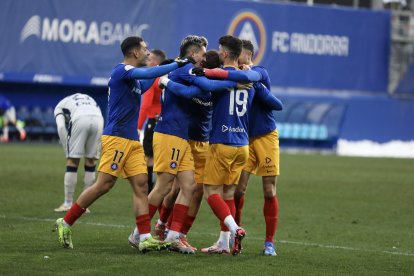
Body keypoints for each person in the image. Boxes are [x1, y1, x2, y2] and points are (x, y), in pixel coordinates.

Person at [54, 36, 192, 252]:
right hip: (116, 138)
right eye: (145, 49)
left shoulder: (134, 80)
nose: (148, 53)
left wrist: (169, 68)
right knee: (103, 185)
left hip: (131, 140)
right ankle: (66, 222)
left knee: (141, 185)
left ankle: (144, 237)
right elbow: (148, 73)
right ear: (135, 52)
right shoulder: (122, 71)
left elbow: (150, 78)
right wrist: (176, 64)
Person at [129, 35, 240, 254]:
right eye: (202, 53)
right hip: (169, 133)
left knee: (189, 185)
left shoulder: (183, 71)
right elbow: (202, 85)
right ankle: (137, 233)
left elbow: (199, 88)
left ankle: (173, 236)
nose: (204, 57)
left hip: (181, 137)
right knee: (163, 186)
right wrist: (237, 79)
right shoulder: (184, 69)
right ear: (192, 54)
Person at [234, 39, 283, 256]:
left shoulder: (260, 72)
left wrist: (251, 76)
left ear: (248, 55)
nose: (236, 60)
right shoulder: (236, 78)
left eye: (239, 56)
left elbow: (276, 103)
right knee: (238, 190)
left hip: (265, 137)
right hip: (245, 139)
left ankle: (269, 242)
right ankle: (236, 236)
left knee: (269, 189)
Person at [53, 93, 104, 213]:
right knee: (90, 162)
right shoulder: (87, 97)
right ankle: (84, 205)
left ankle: (68, 203)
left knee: (72, 162)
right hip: (99, 119)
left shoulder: (59, 107)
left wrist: (68, 151)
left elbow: (61, 128)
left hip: (80, 118)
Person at [137, 49, 167, 192]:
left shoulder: (152, 78)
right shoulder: (167, 77)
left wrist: (138, 127)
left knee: (149, 158)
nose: (147, 62)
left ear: (155, 62)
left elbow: (146, 105)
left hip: (153, 121)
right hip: (166, 121)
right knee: (163, 159)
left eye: (150, 59)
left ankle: (149, 191)